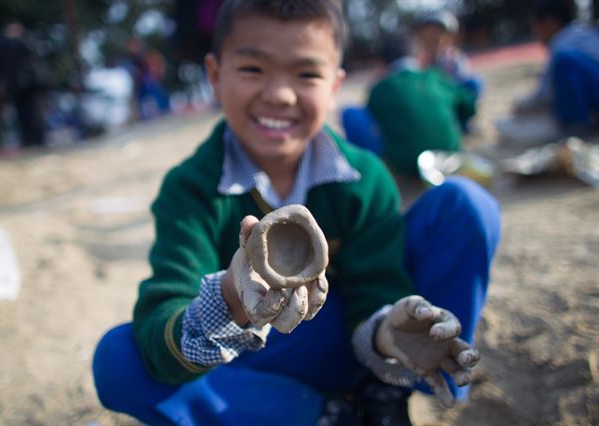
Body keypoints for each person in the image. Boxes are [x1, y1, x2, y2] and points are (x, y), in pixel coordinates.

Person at [92, 2, 500, 425]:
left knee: (467, 205)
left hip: (352, 341)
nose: (280, 95)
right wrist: (232, 296)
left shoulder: (364, 178)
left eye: (306, 74)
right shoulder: (191, 190)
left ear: (335, 84)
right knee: (119, 359)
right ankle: (325, 416)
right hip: (260, 361)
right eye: (253, 69)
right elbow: (167, 303)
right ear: (215, 76)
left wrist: (387, 332)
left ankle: (393, 388)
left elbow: (375, 286)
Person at [342, 32, 477, 176]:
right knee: (472, 84)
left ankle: (369, 167)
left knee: (350, 113)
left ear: (382, 65)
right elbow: (469, 106)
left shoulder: (379, 89)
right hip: (451, 154)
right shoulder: (435, 76)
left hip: (406, 164)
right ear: (421, 57)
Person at [497, 0, 599, 143]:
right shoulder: (582, 34)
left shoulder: (562, 45)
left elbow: (547, 94)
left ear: (549, 23)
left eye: (535, 26)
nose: (535, 33)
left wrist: (523, 106)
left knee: (565, 62)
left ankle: (576, 125)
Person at [0, 22, 46, 147]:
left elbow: (34, 63)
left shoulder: (24, 43)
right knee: (24, 113)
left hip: (27, 85)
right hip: (17, 85)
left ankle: (35, 140)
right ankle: (30, 140)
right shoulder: (3, 45)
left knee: (31, 112)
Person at [413, 10, 483, 109]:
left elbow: (462, 91)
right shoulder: (416, 63)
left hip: (452, 108)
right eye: (428, 36)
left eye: (438, 34)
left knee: (474, 83)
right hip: (429, 109)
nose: (433, 38)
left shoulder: (455, 61)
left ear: (450, 37)